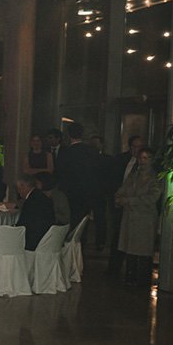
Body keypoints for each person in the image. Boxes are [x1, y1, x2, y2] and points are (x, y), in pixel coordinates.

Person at [114, 147, 162, 285]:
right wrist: (118, 198)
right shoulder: (133, 175)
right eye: (141, 158)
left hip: (145, 218)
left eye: (146, 158)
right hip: (130, 217)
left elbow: (152, 197)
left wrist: (129, 200)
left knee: (143, 250)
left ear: (151, 160)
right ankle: (130, 277)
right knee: (130, 249)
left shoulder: (156, 178)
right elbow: (123, 189)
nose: (143, 161)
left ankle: (141, 279)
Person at [107, 135, 145, 275]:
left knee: (135, 240)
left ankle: (132, 270)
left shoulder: (146, 165)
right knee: (118, 236)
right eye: (134, 147)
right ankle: (114, 268)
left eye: (139, 147)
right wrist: (117, 198)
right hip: (120, 205)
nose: (137, 150)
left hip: (137, 208)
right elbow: (113, 181)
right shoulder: (121, 160)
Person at [54, 122, 99, 228]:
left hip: (69, 192)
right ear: (82, 134)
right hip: (87, 191)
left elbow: (60, 173)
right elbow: (96, 172)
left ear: (68, 135)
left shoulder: (65, 153)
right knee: (83, 223)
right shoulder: (92, 151)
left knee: (70, 221)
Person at [14, 173, 55, 251]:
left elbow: (23, 224)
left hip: (34, 240)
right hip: (47, 237)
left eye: (18, 189)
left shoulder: (31, 201)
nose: (18, 192)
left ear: (23, 186)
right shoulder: (41, 196)